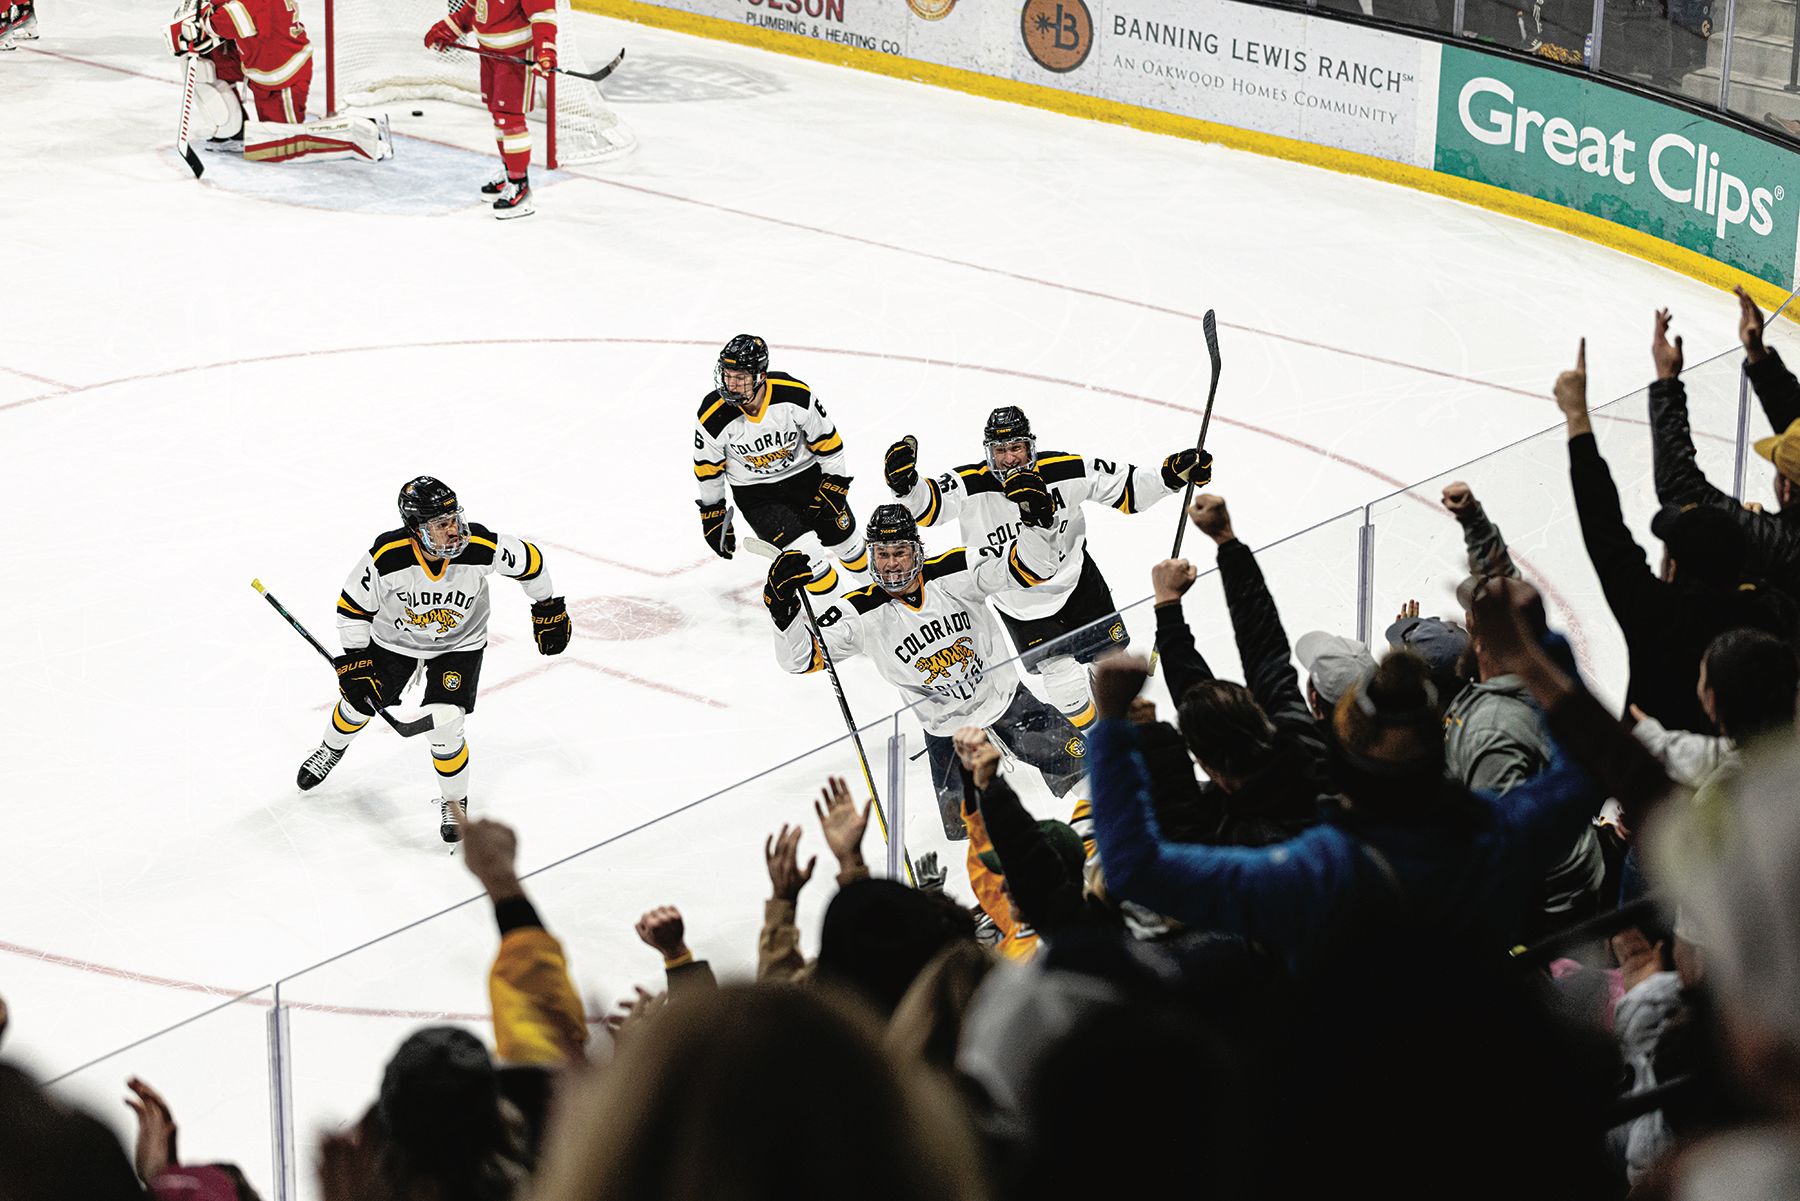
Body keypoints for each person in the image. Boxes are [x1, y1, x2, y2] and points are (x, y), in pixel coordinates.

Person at [764, 496, 1084, 840]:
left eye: (899, 552)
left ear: (918, 551)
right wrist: (783, 611)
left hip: (1008, 703)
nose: (890, 565)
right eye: (882, 554)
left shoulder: (958, 570)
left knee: (1087, 773)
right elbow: (800, 659)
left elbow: (1032, 568)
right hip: (947, 731)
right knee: (971, 835)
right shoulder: (859, 612)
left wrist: (1038, 524)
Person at [883, 406, 1210, 729]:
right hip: (1020, 601)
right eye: (1000, 451)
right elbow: (930, 504)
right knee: (1064, 681)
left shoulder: (1064, 468)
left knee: (1112, 665)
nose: (1009, 458)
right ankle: (1095, 745)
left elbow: (1126, 487)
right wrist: (907, 486)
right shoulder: (969, 484)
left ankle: (1120, 725)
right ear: (988, 452)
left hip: (1078, 583)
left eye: (1016, 448)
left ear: (1031, 446)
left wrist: (1170, 476)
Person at [293, 476, 569, 843]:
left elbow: (530, 561)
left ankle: (454, 802)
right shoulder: (386, 558)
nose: (453, 532)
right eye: (440, 526)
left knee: (446, 724)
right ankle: (330, 749)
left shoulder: (480, 547)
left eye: (454, 520)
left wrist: (547, 606)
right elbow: (352, 610)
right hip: (396, 642)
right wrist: (355, 661)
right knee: (357, 705)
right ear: (414, 529)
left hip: (459, 645)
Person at [694, 335, 868, 593]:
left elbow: (828, 443)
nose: (731, 385)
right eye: (727, 375)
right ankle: (840, 619)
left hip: (807, 479)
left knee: (848, 544)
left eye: (740, 378)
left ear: (760, 376)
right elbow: (708, 470)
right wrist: (713, 515)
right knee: (809, 562)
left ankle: (882, 597)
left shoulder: (793, 395)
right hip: (758, 496)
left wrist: (835, 486)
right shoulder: (713, 415)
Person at [165, 0, 391, 163]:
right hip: (260, 62)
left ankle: (363, 132)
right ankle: (232, 132)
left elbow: (220, 23)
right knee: (205, 61)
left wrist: (197, 26)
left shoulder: (251, 4)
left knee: (280, 147)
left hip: (284, 76)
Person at [424, 0, 558, 217]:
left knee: (510, 119)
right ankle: (510, 172)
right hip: (490, 54)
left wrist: (546, 51)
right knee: (498, 116)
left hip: (516, 57)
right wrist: (447, 29)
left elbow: (543, 14)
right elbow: (472, 10)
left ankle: (520, 185)